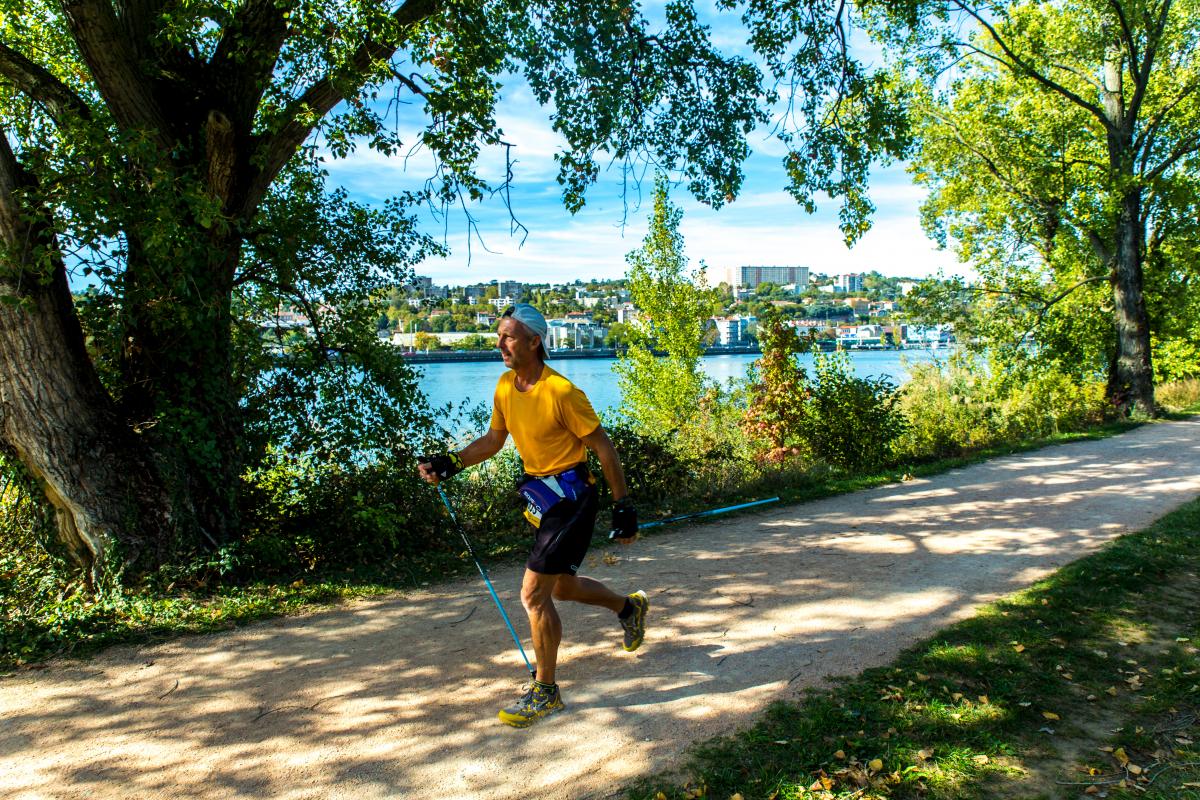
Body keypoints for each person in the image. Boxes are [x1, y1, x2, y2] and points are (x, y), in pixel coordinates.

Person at [418, 303, 646, 728]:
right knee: (559, 587)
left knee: (533, 594)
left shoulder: (562, 392)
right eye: (500, 335)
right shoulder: (506, 385)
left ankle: (546, 691)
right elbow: (492, 440)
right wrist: (448, 463)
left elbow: (604, 448)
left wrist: (623, 505)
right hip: (542, 496)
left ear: (534, 341)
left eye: (508, 336)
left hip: (573, 499)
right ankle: (627, 609)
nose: (499, 342)